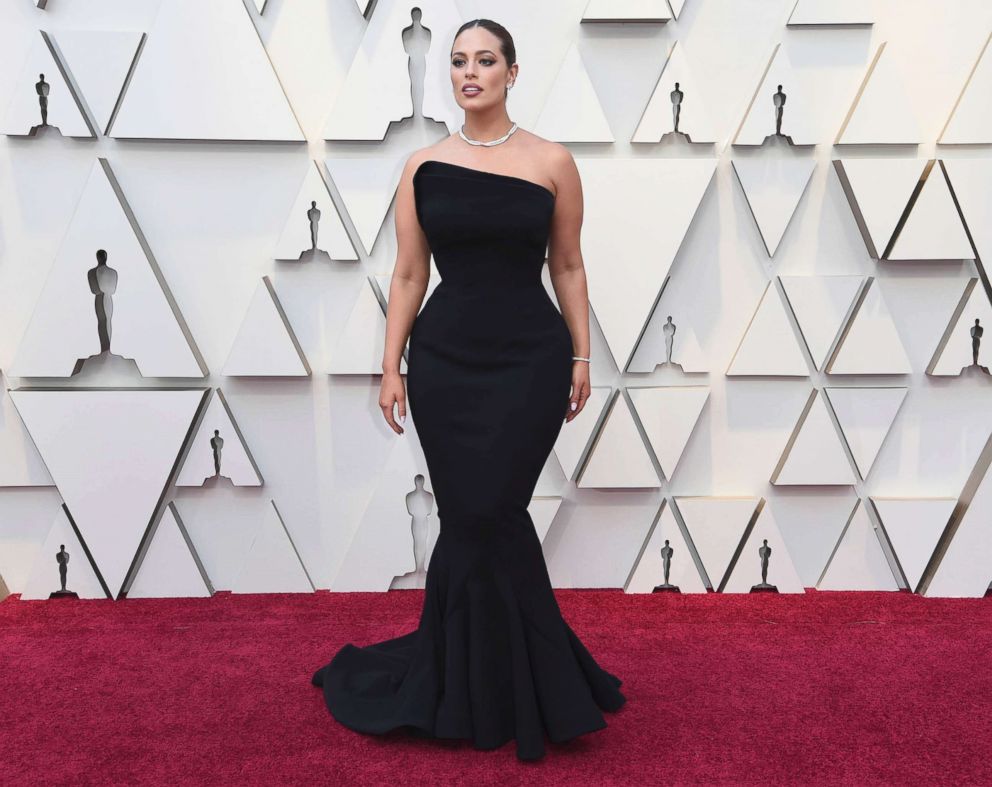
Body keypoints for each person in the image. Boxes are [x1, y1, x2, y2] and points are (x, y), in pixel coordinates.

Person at [311, 18, 626, 762]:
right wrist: (391, 366)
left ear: (513, 73)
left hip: (531, 360)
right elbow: (410, 275)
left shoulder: (553, 161)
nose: (469, 72)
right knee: (471, 514)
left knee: (493, 510)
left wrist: (583, 355)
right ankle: (507, 682)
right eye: (458, 61)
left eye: (485, 60)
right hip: (447, 359)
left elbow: (570, 267)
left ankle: (504, 681)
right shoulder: (422, 166)